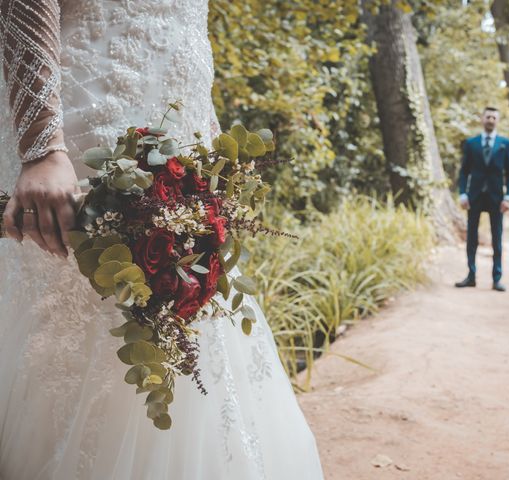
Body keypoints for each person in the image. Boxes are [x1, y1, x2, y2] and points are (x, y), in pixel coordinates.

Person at [0, 1, 324, 479]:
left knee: (191, 344)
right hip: (83, 137)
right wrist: (42, 146)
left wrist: (212, 161)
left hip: (183, 158)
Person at [455, 107, 509, 292]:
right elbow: (464, 171)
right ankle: (471, 276)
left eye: (494, 117)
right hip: (475, 197)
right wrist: (463, 194)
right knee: (471, 237)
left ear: (498, 120)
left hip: (496, 199)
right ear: (482, 119)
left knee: (497, 239)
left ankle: (497, 278)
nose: (490, 120)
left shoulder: (505, 143)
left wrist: (508, 197)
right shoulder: (471, 143)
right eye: (488, 116)